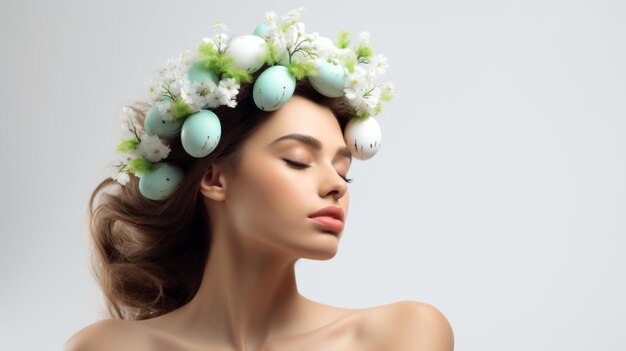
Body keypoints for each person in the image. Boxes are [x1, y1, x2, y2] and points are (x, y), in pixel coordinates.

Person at [64, 9, 454, 351]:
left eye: (342, 170)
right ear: (214, 178)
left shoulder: (401, 336)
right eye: (298, 160)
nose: (337, 186)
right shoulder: (105, 347)